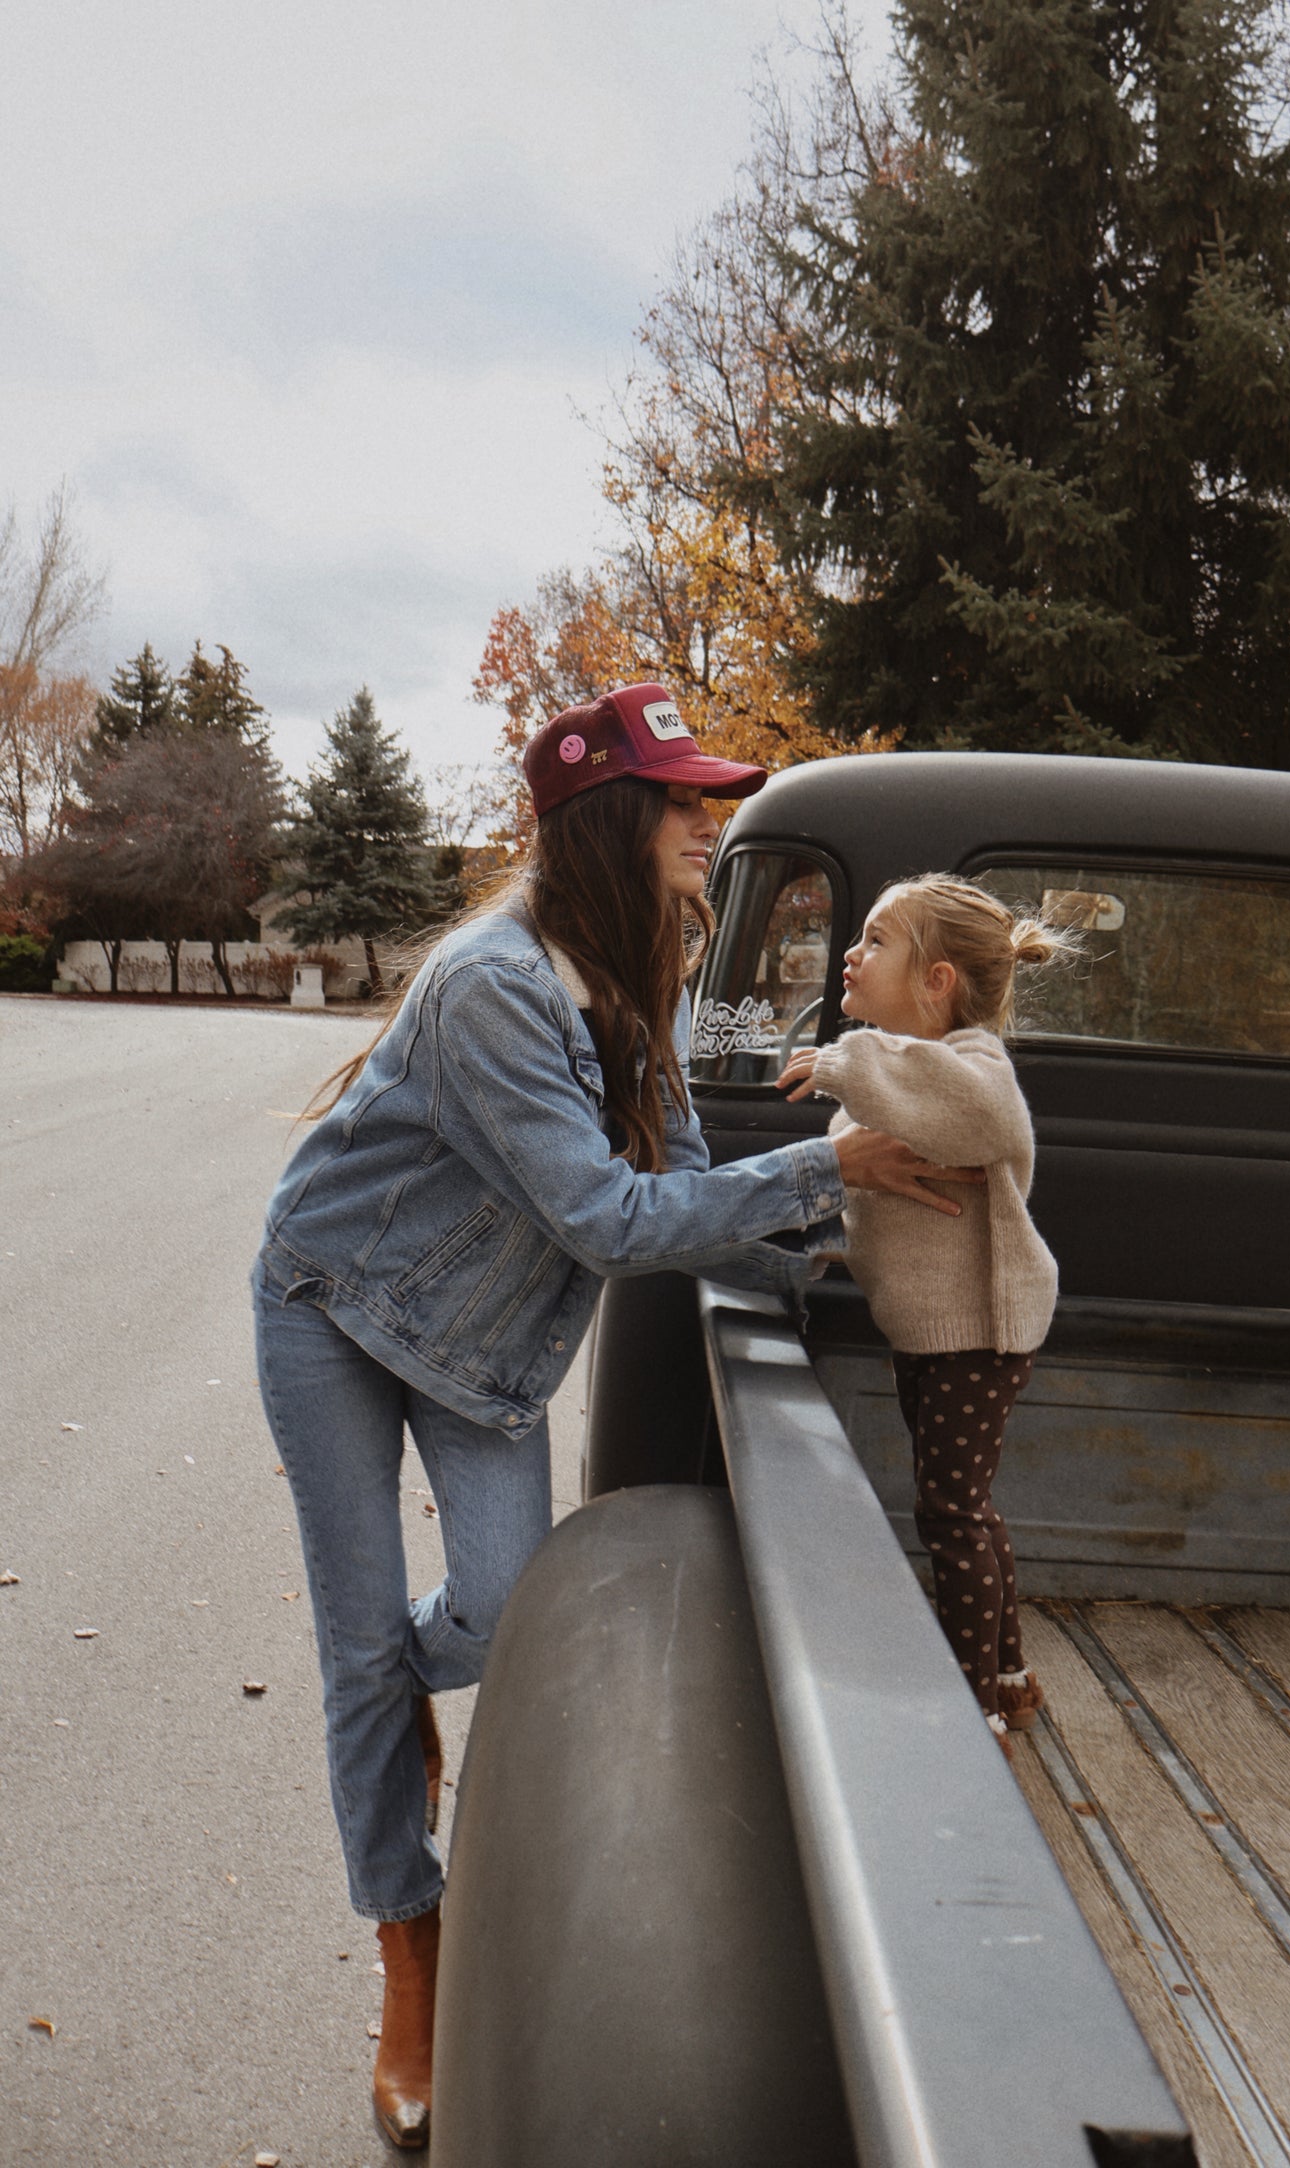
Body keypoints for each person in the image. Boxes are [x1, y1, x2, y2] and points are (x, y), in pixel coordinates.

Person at [251, 683, 983, 2150]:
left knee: (505, 1608)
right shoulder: (490, 984)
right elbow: (600, 1216)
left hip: (486, 1349)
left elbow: (681, 1188)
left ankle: (382, 1699)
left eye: (713, 804)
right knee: (355, 1650)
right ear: (608, 818)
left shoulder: (640, 972)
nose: (709, 830)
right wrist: (818, 1169)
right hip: (334, 1309)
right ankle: (412, 1949)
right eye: (688, 805)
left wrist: (813, 1255)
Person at [777, 874, 1069, 1758]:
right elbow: (851, 1154)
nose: (852, 957)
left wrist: (839, 1058)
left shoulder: (972, 1068)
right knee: (967, 1509)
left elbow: (973, 1112)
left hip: (978, 1333)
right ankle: (1012, 1680)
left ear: (937, 981)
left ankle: (971, 1710)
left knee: (950, 1512)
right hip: (934, 1331)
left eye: (874, 942)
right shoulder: (905, 1075)